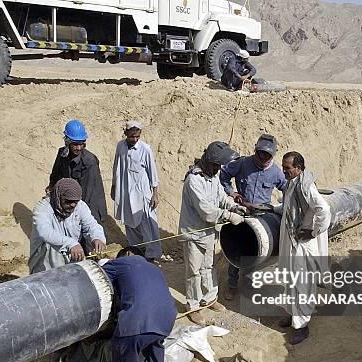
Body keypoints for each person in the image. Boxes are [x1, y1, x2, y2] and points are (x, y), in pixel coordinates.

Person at [101, 253, 177, 362]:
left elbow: (99, 277)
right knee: (155, 346)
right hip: (167, 318)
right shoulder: (154, 268)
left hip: (138, 320)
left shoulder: (120, 263)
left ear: (126, 254)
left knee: (124, 359)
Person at [178, 141, 247, 325]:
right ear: (208, 161)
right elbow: (206, 210)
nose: (218, 169)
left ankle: (209, 298)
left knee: (208, 267)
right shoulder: (194, 180)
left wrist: (233, 206)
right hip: (193, 233)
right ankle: (193, 306)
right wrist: (229, 216)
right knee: (193, 271)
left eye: (220, 166)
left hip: (209, 233)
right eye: (216, 165)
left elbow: (221, 196)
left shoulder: (213, 176)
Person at [219, 134, 287, 300]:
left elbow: (287, 188)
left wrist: (285, 206)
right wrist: (232, 193)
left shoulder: (276, 172)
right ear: (255, 150)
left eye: (267, 156)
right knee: (236, 249)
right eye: (260, 154)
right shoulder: (243, 163)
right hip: (241, 213)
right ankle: (232, 285)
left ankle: (247, 283)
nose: (263, 158)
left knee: (253, 251)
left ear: (273, 155)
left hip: (261, 217)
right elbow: (224, 175)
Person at [275, 151, 331, 345]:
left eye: (287, 168)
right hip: (292, 242)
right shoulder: (293, 183)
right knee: (291, 282)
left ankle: (302, 327)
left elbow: (324, 209)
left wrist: (313, 232)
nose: (284, 171)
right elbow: (289, 206)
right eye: (283, 167)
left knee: (302, 286)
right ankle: (293, 316)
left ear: (298, 168)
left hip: (303, 245)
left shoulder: (306, 187)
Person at [29, 178, 107, 274]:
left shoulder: (81, 206)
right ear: (58, 197)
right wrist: (70, 244)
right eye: (68, 201)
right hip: (45, 266)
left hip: (70, 264)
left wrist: (97, 238)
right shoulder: (43, 208)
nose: (73, 205)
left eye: (76, 202)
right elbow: (44, 231)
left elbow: (91, 225)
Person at [111, 120, 162, 262]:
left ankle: (152, 256)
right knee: (130, 224)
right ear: (125, 133)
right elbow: (116, 167)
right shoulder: (120, 146)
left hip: (142, 194)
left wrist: (155, 194)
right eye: (131, 136)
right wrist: (114, 187)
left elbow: (153, 172)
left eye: (137, 137)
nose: (134, 140)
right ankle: (137, 252)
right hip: (126, 192)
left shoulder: (145, 149)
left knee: (148, 226)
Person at [48, 119, 108, 233]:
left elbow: (86, 193)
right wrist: (51, 188)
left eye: (82, 144)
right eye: (75, 144)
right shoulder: (62, 154)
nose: (79, 147)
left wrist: (74, 212)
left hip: (89, 205)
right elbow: (55, 175)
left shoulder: (89, 162)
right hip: (72, 202)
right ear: (67, 142)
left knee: (88, 239)